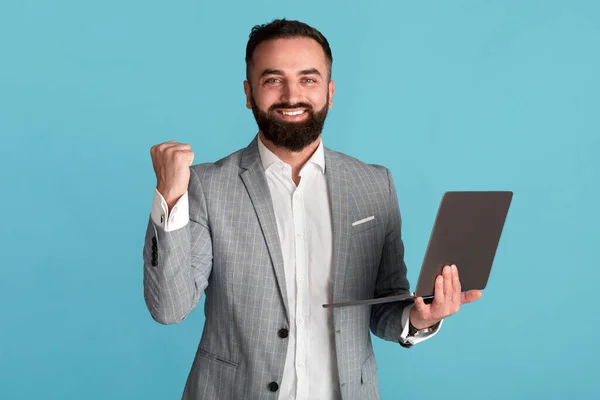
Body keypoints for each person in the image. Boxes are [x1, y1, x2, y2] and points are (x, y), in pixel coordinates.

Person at [143, 18, 482, 400]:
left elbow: (386, 304)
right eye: (273, 80)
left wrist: (421, 318)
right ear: (249, 93)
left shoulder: (374, 184)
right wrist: (170, 195)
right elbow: (168, 308)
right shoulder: (205, 184)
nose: (292, 95)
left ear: (330, 91)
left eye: (308, 79)